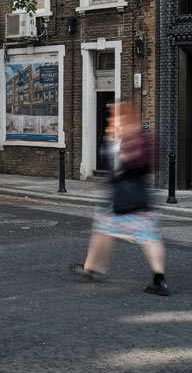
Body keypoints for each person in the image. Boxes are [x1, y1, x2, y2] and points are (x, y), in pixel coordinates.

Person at [70, 102, 169, 296]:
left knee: (103, 231)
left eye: (113, 116)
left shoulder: (122, 139)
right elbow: (150, 162)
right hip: (140, 194)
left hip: (122, 198)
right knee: (147, 237)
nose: (109, 119)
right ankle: (159, 279)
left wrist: (113, 143)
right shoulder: (141, 136)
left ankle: (91, 268)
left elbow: (114, 166)